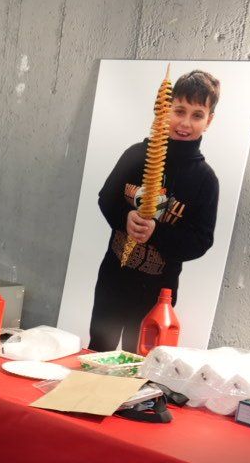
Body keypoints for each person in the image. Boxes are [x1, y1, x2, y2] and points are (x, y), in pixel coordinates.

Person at [89, 70, 222, 351]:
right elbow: (106, 198)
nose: (185, 123)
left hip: (157, 293)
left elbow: (201, 240)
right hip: (113, 278)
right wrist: (125, 218)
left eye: (197, 115)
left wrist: (157, 233)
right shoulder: (135, 155)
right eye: (179, 111)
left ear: (209, 121)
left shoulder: (205, 180)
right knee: (98, 350)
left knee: (140, 358)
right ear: (165, 109)